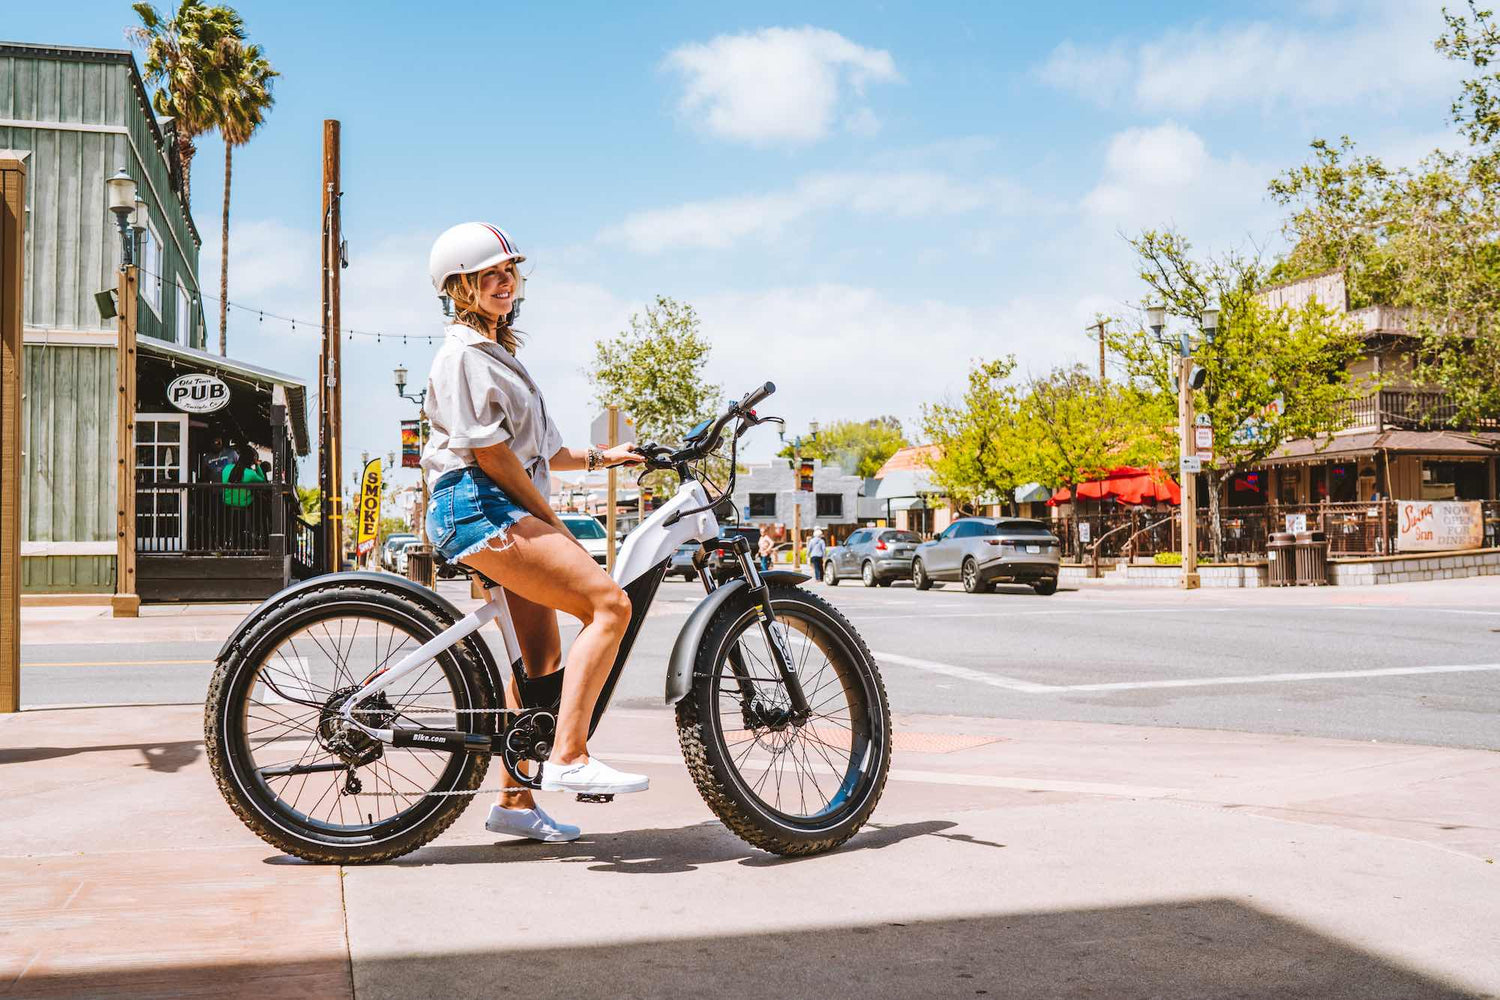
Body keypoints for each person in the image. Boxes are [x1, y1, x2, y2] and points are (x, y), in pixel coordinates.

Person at [422, 222, 645, 844]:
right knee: (609, 603)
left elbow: (544, 453)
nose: (504, 282)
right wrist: (550, 525)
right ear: (458, 287)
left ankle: (516, 803)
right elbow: (492, 458)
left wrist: (608, 456)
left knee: (539, 665)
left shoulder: (499, 356)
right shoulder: (462, 356)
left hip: (489, 502)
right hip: (478, 506)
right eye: (488, 274)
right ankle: (570, 757)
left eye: (509, 272)